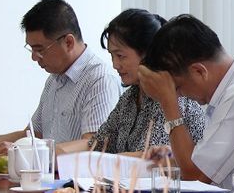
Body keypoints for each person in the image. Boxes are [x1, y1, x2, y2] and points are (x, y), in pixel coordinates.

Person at [137, 14, 234, 186]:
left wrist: (168, 102)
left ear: (199, 71)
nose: (180, 96)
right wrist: (172, 157)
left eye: (178, 88)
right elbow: (204, 162)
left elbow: (195, 176)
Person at [52, 9, 206, 157]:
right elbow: (97, 144)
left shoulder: (172, 95)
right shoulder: (129, 97)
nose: (115, 65)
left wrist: (106, 160)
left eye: (120, 56)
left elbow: (151, 159)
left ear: (147, 53)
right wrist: (50, 152)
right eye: (112, 56)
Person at [0, 0, 121, 163]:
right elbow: (32, 136)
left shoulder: (100, 79)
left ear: (68, 42)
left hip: (77, 179)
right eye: (31, 49)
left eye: (40, 50)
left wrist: (24, 151)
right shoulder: (54, 79)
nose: (34, 57)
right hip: (48, 176)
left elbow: (93, 144)